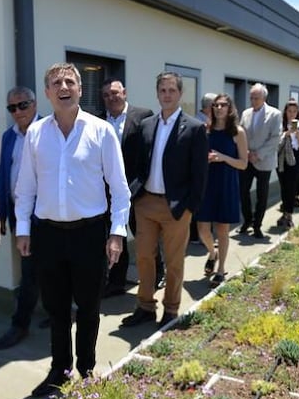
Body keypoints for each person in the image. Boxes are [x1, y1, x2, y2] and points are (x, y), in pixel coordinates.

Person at [14, 62, 130, 397]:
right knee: (56, 307)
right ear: (48, 93)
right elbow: (25, 188)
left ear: (80, 89)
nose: (63, 86)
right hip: (48, 234)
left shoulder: (101, 131)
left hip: (89, 233)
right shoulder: (35, 134)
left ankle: (86, 368)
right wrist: (23, 229)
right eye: (55, 82)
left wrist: (117, 233)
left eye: (69, 81)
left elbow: (120, 189)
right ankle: (60, 370)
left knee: (90, 306)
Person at [121, 71, 208, 328]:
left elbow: (200, 174)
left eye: (172, 90)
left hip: (176, 207)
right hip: (146, 203)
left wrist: (190, 207)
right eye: (162, 90)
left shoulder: (194, 128)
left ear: (180, 94)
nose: (167, 95)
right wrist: (135, 196)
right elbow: (138, 163)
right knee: (145, 258)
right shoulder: (147, 124)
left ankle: (171, 310)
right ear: (157, 93)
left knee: (173, 261)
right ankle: (145, 307)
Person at [98, 78, 160, 298]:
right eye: (106, 95)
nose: (111, 98)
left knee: (144, 236)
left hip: (136, 191)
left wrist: (139, 187)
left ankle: (157, 274)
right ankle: (116, 283)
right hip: (107, 193)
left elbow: (150, 154)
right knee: (115, 236)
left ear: (124, 92)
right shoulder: (98, 121)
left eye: (114, 93)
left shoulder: (143, 115)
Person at [0, 86, 41, 350]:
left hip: (44, 215)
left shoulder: (48, 130)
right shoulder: (8, 137)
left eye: (23, 105)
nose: (18, 112)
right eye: (12, 108)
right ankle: (23, 323)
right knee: (31, 269)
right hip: (17, 214)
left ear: (34, 104)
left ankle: (20, 324)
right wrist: (1, 213)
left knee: (36, 271)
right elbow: (3, 176)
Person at [195, 94, 247, 288]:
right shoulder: (205, 129)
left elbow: (243, 164)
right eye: (215, 105)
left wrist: (223, 157)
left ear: (229, 108)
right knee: (202, 229)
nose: (218, 108)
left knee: (222, 229)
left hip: (226, 183)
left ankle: (221, 268)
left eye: (222, 105)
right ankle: (212, 253)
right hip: (207, 183)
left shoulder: (237, 132)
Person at [238, 83, 281, 239]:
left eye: (256, 98)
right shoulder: (246, 113)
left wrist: (259, 154)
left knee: (262, 195)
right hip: (247, 159)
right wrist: (245, 152)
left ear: (264, 98)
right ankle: (247, 220)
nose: (253, 101)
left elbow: (276, 138)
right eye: (251, 98)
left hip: (264, 160)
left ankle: (257, 225)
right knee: (243, 192)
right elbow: (241, 133)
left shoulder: (274, 114)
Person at [276, 100, 299, 229]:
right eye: (289, 111)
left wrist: (296, 132)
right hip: (281, 157)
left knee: (291, 186)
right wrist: (286, 134)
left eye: (294, 111)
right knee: (283, 186)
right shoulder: (280, 124)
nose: (292, 114)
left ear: (298, 112)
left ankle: (289, 214)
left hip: (296, 158)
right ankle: (284, 212)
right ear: (285, 112)